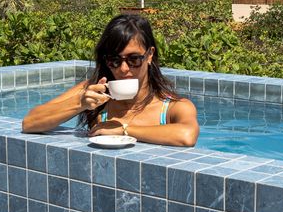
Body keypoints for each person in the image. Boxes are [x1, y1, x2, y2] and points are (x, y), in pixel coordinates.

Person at [22, 13, 199, 147]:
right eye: (114, 60)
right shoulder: (92, 92)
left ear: (150, 55)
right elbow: (30, 123)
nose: (123, 69)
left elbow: (187, 135)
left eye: (134, 59)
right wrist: (80, 103)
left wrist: (123, 128)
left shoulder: (173, 107)